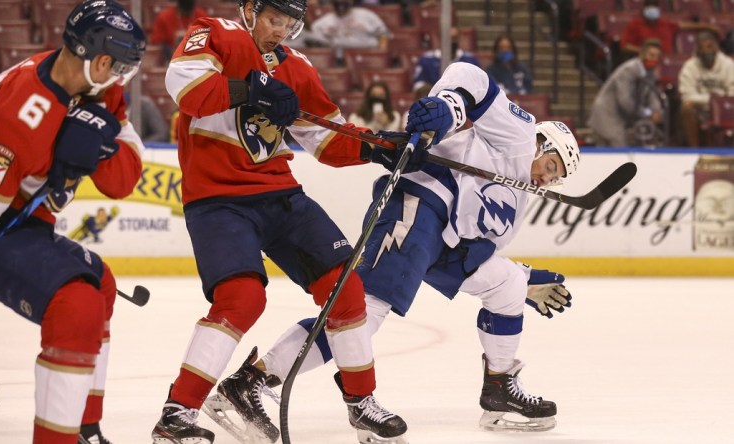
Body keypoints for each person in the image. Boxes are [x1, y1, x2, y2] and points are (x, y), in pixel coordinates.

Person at [207, 61, 579, 441]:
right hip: (420, 206)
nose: (548, 178)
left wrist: (525, 276)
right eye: (551, 164)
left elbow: (477, 250)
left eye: (557, 177)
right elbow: (472, 77)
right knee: (361, 314)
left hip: (445, 241)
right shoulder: (517, 135)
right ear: (540, 143)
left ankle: (499, 387)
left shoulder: (520, 198)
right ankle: (250, 380)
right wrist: (450, 105)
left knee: (508, 285)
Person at [151, 0, 409, 442]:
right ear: (250, 9)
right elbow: (188, 91)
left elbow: (327, 139)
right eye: (274, 19)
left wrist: (375, 146)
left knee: (345, 289)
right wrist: (251, 88)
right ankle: (178, 412)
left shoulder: (298, 66)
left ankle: (361, 401)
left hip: (280, 194)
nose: (280, 31)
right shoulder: (217, 32)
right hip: (217, 199)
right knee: (242, 299)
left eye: (290, 25)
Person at [0, 1, 146, 442]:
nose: (122, 79)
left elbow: (124, 178)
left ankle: (83, 428)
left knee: (101, 284)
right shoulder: (23, 110)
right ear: (99, 57)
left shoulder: (100, 86)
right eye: (120, 66)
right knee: (76, 305)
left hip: (18, 220)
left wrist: (100, 146)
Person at [588, 39, 666, 147]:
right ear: (642, 54)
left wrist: (656, 111)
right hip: (607, 114)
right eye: (651, 55)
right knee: (619, 149)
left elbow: (652, 94)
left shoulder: (651, 73)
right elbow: (625, 101)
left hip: (622, 117)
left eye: (657, 56)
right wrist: (647, 113)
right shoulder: (628, 70)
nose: (654, 59)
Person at [678, 31, 734, 147]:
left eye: (709, 47)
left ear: (716, 47)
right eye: (702, 48)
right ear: (697, 50)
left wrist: (719, 103)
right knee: (687, 107)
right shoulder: (689, 66)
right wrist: (711, 100)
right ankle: (694, 150)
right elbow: (687, 96)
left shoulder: (728, 64)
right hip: (701, 108)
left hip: (725, 108)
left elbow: (732, 93)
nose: (706, 51)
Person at [620, 0, 717, 57]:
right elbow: (625, 46)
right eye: (649, 6)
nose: (652, 9)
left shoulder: (665, 23)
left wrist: (708, 26)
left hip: (666, 60)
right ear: (644, 9)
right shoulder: (635, 25)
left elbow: (686, 25)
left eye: (655, 7)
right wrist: (643, 51)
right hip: (644, 60)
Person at [412, 27, 480, 92]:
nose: (451, 41)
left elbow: (479, 84)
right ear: (440, 38)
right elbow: (418, 84)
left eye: (454, 38)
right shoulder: (427, 60)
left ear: (459, 38)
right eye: (448, 38)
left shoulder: (470, 60)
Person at [311, 0, 389, 54]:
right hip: (339, 61)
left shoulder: (367, 15)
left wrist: (380, 56)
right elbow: (318, 47)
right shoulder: (321, 24)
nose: (340, 1)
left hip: (369, 56)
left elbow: (383, 34)